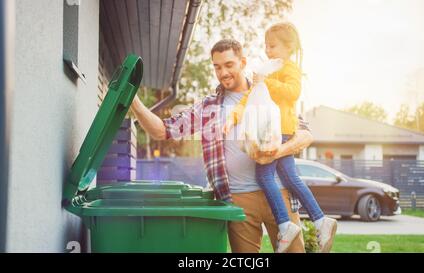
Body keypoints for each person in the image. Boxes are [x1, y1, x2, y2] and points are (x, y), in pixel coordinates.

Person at [130, 38, 312, 253]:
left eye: (228, 65)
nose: (223, 72)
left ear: (243, 62)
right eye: (217, 67)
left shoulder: (270, 92)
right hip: (238, 198)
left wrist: (276, 152)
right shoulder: (209, 107)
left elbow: (304, 135)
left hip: (279, 191)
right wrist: (133, 99)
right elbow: (162, 130)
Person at [223, 22, 337, 253]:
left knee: (264, 175)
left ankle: (286, 224)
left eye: (273, 46)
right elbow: (248, 99)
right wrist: (232, 118)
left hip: (280, 129)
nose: (268, 50)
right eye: (266, 46)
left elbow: (293, 92)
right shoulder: (269, 68)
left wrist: (267, 81)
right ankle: (320, 220)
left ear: (289, 47)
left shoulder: (289, 68)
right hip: (272, 128)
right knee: (290, 176)